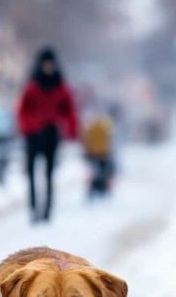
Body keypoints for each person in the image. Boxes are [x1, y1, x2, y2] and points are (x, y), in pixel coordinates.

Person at [16, 47, 78, 222]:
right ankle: (34, 209)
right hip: (33, 135)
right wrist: (30, 126)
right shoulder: (32, 86)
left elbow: (69, 110)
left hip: (51, 133)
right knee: (32, 173)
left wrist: (70, 130)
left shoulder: (61, 87)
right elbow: (22, 111)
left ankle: (47, 210)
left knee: (49, 174)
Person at [83, 112, 114, 199]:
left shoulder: (91, 129)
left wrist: (87, 152)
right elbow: (108, 141)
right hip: (103, 154)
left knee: (94, 173)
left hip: (93, 153)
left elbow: (87, 140)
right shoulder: (105, 128)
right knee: (103, 173)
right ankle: (102, 190)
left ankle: (94, 190)